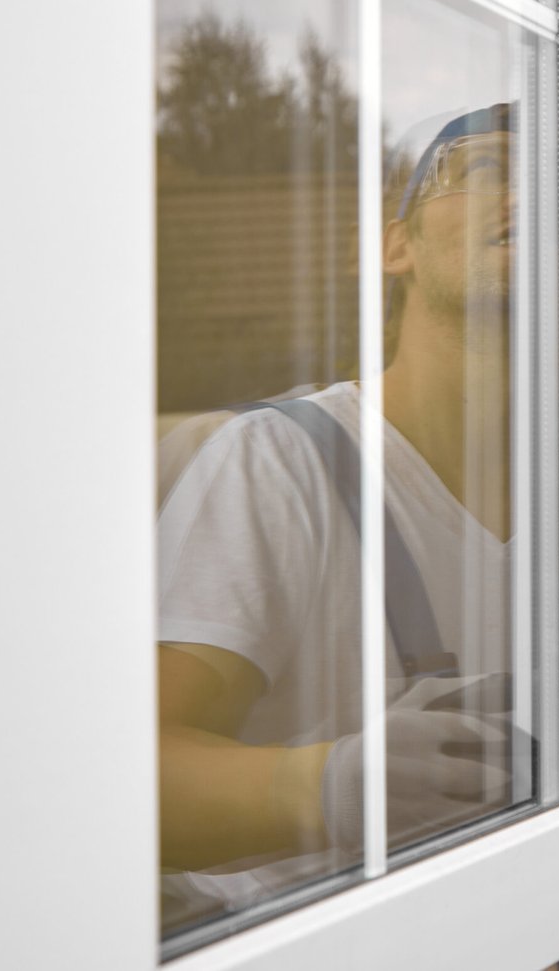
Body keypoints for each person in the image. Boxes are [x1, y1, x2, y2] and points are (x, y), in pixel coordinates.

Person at [157, 105, 519, 924]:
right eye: (490, 169)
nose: (530, 197)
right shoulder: (275, 464)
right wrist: (327, 786)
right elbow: (126, 780)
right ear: (396, 248)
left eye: (558, 186)